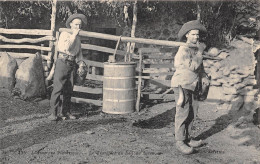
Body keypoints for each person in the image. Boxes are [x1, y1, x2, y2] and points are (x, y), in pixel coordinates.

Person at [171, 20, 209, 154]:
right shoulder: (184, 49)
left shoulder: (196, 49)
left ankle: (187, 138)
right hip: (182, 84)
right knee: (183, 112)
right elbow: (193, 66)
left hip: (193, 84)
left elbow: (200, 67)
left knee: (192, 112)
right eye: (193, 34)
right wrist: (200, 52)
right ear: (187, 35)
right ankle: (180, 141)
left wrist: (204, 77)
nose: (196, 37)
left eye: (197, 35)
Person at [46, 13, 87, 121]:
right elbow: (67, 47)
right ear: (70, 24)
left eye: (80, 25)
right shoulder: (65, 34)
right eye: (76, 24)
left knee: (69, 89)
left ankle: (66, 112)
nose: (78, 27)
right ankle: (53, 113)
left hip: (72, 64)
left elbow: (79, 53)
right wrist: (73, 35)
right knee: (58, 88)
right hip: (62, 62)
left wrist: (81, 63)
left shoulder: (78, 38)